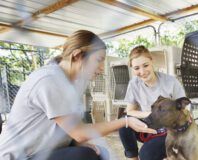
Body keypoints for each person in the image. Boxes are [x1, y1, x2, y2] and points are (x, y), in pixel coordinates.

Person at [0, 30, 156, 160]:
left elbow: (68, 127)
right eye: (98, 60)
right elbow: (80, 132)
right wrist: (124, 121)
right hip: (19, 156)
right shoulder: (50, 80)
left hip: (41, 151)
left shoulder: (70, 82)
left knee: (99, 154)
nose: (102, 68)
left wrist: (73, 143)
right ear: (76, 56)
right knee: (84, 155)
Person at [119, 45, 186, 160]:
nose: (142, 71)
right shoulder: (134, 84)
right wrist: (150, 115)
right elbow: (130, 111)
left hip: (168, 129)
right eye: (136, 68)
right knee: (123, 124)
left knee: (146, 155)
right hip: (148, 125)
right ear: (132, 68)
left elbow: (185, 111)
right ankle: (133, 158)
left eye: (145, 65)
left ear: (152, 61)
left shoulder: (170, 82)